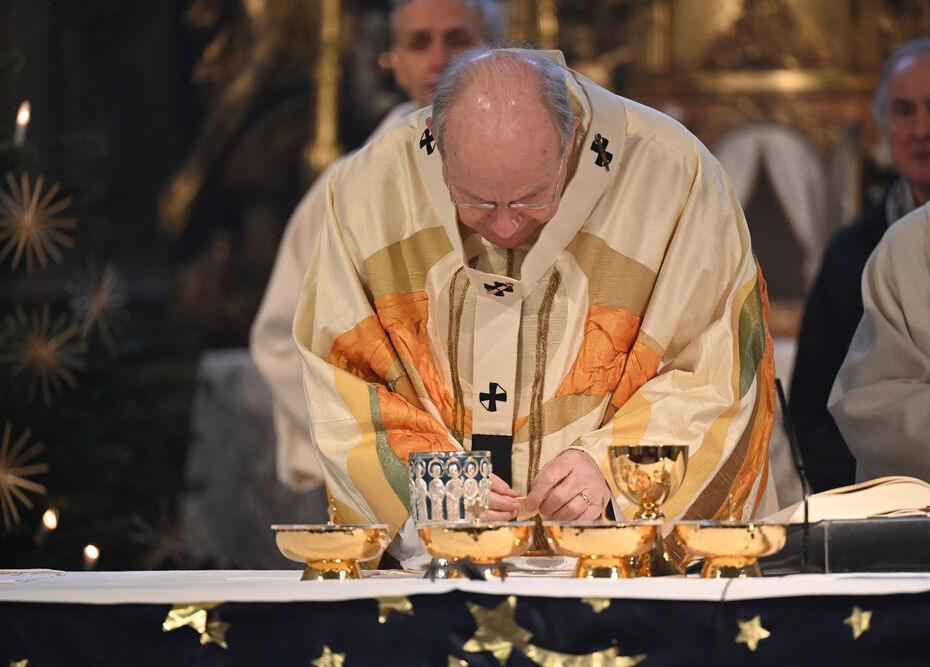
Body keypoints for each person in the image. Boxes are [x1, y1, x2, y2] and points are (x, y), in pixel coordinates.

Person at [293, 47, 776, 564]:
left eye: (530, 198)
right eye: (477, 201)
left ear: (570, 141)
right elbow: (341, 370)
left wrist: (619, 470)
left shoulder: (676, 174)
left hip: (615, 561)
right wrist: (429, 483)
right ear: (437, 141)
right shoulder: (369, 188)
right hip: (441, 569)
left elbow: (721, 367)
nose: (505, 226)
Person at [250, 0, 501, 492]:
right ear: (395, 61)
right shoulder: (346, 186)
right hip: (394, 469)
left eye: (458, 39)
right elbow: (282, 337)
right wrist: (374, 447)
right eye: (419, 42)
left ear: (495, 49)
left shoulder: (543, 168)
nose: (439, 58)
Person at [789, 36, 930, 492]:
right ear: (884, 127)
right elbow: (813, 408)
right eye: (903, 111)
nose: (920, 130)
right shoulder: (851, 251)